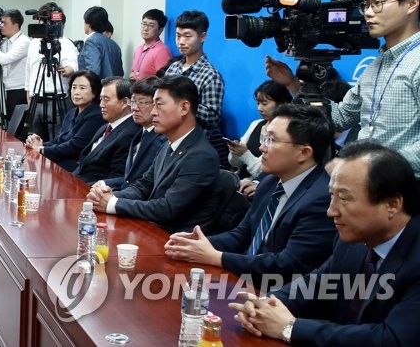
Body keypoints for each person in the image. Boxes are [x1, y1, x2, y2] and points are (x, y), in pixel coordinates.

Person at [230, 141, 420, 346]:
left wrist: (290, 327)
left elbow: (392, 339)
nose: (331, 211)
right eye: (332, 195)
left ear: (392, 205)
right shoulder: (353, 238)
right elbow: (319, 283)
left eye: (344, 198)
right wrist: (265, 306)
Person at [267, 0, 420, 177]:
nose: (368, 13)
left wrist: (368, 166)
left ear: (412, 4)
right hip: (369, 183)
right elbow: (340, 118)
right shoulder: (376, 66)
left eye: (378, 3)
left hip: (405, 187)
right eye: (366, 5)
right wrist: (293, 84)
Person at [165, 104, 336, 288]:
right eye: (265, 138)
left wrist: (217, 257)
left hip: (276, 293)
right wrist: (196, 244)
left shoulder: (321, 200)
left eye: (271, 140)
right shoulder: (269, 182)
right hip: (244, 280)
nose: (262, 147)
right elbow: (242, 234)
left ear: (304, 152)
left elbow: (287, 264)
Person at [86, 75, 220, 233]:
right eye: (153, 104)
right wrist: (109, 196)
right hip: (149, 229)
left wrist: (112, 204)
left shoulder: (200, 156)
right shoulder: (169, 144)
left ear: (184, 108)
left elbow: (168, 208)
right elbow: (143, 186)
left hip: (171, 239)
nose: (153, 112)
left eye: (159, 105)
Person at [162, 10, 227, 168]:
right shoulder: (173, 68)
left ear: (202, 37)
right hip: (166, 143)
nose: (181, 42)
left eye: (187, 36)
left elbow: (212, 117)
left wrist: (181, 104)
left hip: (192, 149)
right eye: (178, 36)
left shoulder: (210, 75)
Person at [25, 70, 106, 173]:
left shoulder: (96, 116)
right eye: (74, 87)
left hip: (77, 165)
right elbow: (59, 140)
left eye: (82, 88)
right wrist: (40, 144)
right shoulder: (72, 112)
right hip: (62, 159)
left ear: (94, 92)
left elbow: (74, 146)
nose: (76, 92)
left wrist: (42, 149)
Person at [99, 76, 167, 190]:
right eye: (133, 102)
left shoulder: (161, 140)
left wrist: (113, 195)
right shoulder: (140, 132)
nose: (134, 108)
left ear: (157, 104)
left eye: (142, 102)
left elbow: (145, 183)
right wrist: (103, 183)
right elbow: (128, 179)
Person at [26, 2, 80, 140]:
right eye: (42, 21)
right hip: (36, 99)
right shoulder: (34, 43)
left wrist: (66, 70)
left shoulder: (65, 43)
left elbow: (73, 66)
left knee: (57, 140)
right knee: (34, 140)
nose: (43, 25)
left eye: (47, 21)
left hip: (57, 101)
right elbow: (29, 69)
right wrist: (28, 91)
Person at [72, 76, 140, 184]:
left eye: (106, 99)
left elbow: (115, 178)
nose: (101, 105)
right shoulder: (105, 127)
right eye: (101, 99)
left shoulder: (130, 133)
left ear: (124, 102)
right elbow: (84, 165)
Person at [228, 80, 294, 180]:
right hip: (241, 179)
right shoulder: (256, 124)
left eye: (264, 103)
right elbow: (235, 164)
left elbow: (264, 173)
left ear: (281, 103)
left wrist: (245, 154)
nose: (259, 108)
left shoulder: (286, 131)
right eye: (258, 103)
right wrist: (235, 152)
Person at [0, 9, 31, 125]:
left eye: (4, 23)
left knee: (18, 126)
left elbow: (4, 60)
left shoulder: (24, 42)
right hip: (9, 88)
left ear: (16, 26)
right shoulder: (5, 42)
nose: (1, 26)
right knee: (11, 124)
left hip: (20, 89)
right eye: (0, 22)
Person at [77, 6, 123, 78]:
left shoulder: (91, 41)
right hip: (115, 84)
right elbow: (120, 73)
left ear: (89, 24)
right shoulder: (115, 45)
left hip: (98, 85)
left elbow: (92, 73)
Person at [131, 9, 174, 80]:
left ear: (160, 30)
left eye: (151, 26)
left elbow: (164, 81)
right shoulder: (139, 49)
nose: (145, 29)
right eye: (144, 24)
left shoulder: (162, 51)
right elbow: (133, 72)